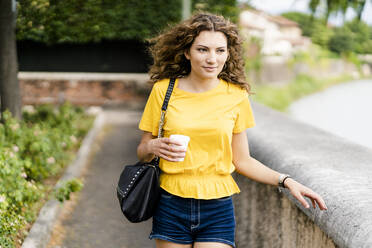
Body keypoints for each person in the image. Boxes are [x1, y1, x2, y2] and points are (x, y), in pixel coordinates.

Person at [137, 13, 327, 248]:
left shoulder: (236, 96)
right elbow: (142, 151)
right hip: (170, 201)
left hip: (217, 207)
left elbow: (242, 160)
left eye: (220, 50)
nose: (212, 59)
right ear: (187, 52)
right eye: (202, 49)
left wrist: (286, 180)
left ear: (228, 54)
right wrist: (151, 146)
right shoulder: (163, 90)